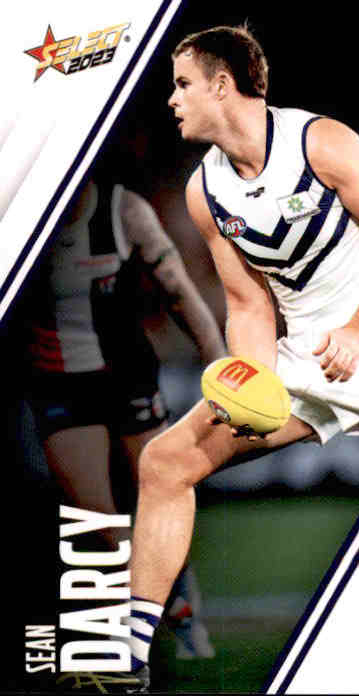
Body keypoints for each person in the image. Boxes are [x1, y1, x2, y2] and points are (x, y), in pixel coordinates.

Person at [124, 25, 359, 691]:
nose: (171, 99)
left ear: (222, 85)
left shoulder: (321, 142)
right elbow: (248, 303)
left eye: (182, 84)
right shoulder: (206, 192)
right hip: (301, 357)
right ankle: (127, 663)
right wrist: (254, 381)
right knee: (165, 463)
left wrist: (358, 331)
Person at [19, 178, 225, 682]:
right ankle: (128, 647)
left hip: (129, 375)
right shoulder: (18, 216)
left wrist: (220, 364)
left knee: (161, 498)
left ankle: (181, 600)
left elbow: (179, 291)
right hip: (59, 384)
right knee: (101, 526)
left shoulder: (124, 210)